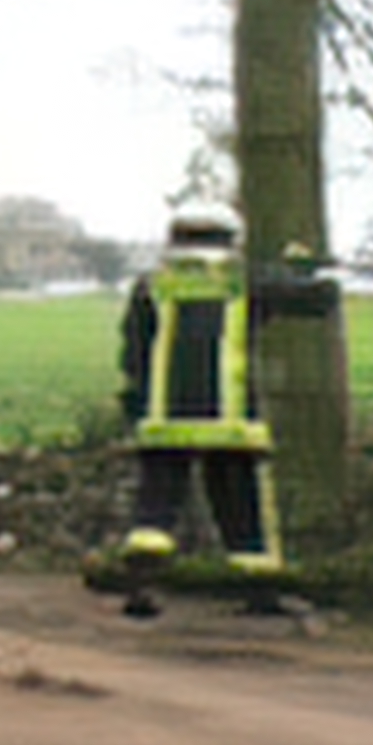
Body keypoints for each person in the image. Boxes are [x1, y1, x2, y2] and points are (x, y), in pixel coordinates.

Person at [109, 209, 330, 615]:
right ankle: (259, 591)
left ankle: (141, 583)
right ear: (230, 239)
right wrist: (304, 268)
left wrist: (136, 404)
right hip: (228, 421)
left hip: (164, 423)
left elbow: (134, 352)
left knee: (155, 509)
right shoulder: (245, 281)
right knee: (241, 505)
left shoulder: (152, 284)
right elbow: (319, 302)